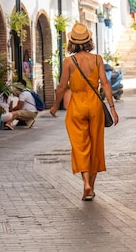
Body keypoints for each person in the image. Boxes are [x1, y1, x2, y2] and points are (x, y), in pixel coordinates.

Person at [49, 22, 119, 201]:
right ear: (89, 40)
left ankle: (86, 184)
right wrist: (112, 108)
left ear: (72, 41)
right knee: (95, 145)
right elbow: (105, 84)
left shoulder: (68, 62)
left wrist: (56, 106)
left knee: (80, 146)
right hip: (95, 105)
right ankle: (92, 188)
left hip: (77, 105)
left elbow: (62, 87)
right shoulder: (97, 59)